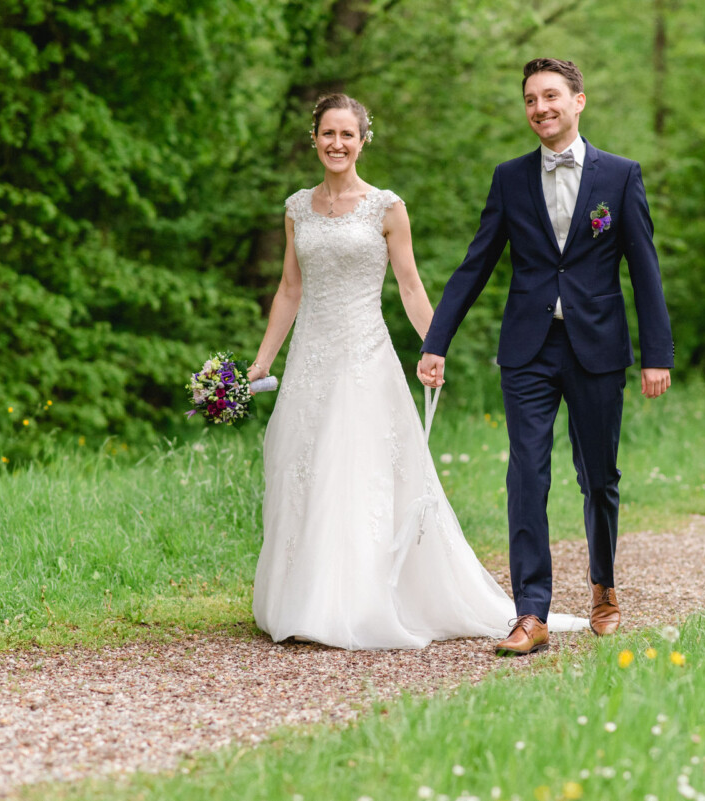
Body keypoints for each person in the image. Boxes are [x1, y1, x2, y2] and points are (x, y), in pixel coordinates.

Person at [248, 93, 586, 650]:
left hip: (363, 358)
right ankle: (301, 598)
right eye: (327, 134)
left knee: (353, 472)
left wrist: (436, 345)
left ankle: (356, 603)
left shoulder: (385, 206)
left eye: (347, 135)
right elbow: (290, 289)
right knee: (302, 468)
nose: (336, 144)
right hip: (311, 357)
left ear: (362, 140)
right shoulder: (296, 208)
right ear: (314, 138)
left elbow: (409, 285)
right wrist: (263, 360)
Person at [418, 58, 674, 657]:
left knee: (599, 476)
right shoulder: (509, 179)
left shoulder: (619, 176)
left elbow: (644, 268)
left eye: (551, 96)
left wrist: (655, 354)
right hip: (528, 349)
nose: (541, 108)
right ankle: (530, 612)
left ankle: (604, 589)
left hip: (598, 348)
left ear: (578, 101)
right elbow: (475, 264)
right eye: (531, 99)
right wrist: (436, 340)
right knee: (526, 475)